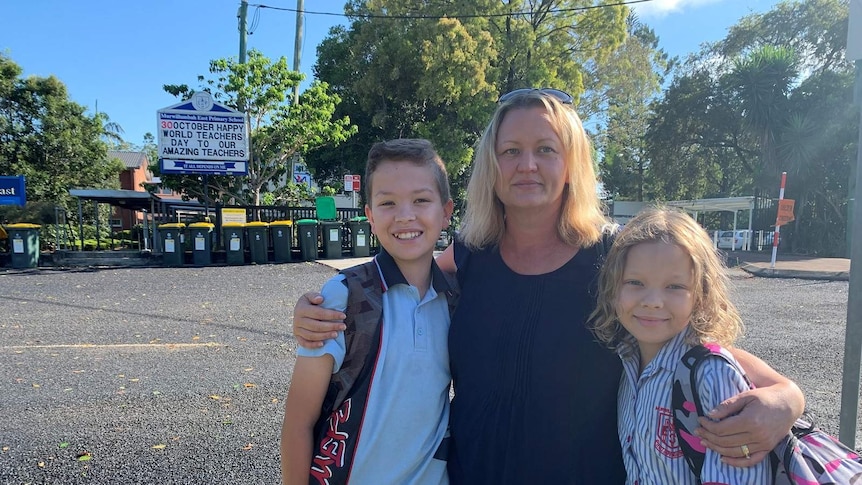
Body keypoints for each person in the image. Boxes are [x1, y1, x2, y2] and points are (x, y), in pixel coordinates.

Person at [291, 89, 804, 483]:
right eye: (511, 150)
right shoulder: (470, 254)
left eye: (545, 149)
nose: (527, 164)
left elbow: (688, 340)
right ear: (492, 165)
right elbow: (399, 276)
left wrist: (786, 397)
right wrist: (316, 307)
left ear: (571, 163)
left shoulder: (613, 257)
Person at [280, 138, 456, 484]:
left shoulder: (458, 299)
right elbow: (298, 421)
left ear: (446, 212)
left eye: (421, 200)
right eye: (388, 202)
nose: (406, 215)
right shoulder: (343, 297)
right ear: (370, 217)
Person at [591, 206, 771, 484]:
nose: (652, 301)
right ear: (613, 290)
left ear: (700, 295)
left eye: (674, 287)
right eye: (635, 282)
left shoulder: (712, 375)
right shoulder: (624, 361)